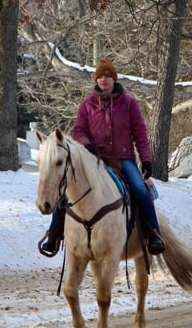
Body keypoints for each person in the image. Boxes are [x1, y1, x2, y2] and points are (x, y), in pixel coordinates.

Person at [39, 57, 165, 256]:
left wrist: (146, 159)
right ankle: (54, 235)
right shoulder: (87, 104)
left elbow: (140, 132)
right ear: (96, 80)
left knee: (140, 189)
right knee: (66, 193)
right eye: (99, 76)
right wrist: (87, 146)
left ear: (114, 79)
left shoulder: (129, 102)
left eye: (107, 75)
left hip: (124, 160)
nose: (103, 79)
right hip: (94, 160)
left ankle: (153, 234)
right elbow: (79, 130)